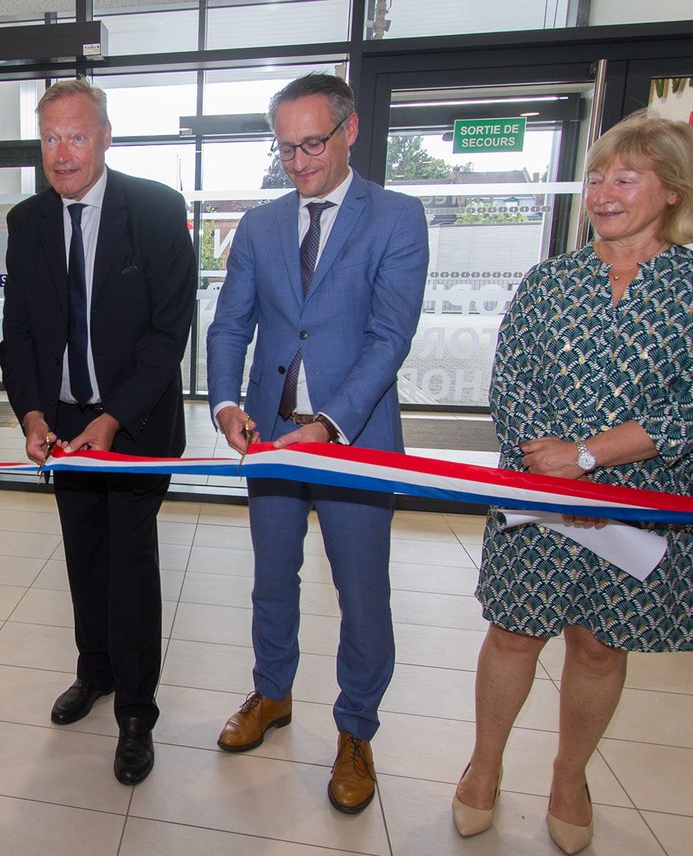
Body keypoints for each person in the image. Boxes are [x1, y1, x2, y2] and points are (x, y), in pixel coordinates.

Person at [451, 111, 693, 854]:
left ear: (674, 190)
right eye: (596, 177)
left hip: (639, 501)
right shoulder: (550, 281)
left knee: (599, 645)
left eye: (625, 177)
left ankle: (568, 777)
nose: (603, 192)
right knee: (513, 633)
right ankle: (482, 767)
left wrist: (589, 459)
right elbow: (512, 380)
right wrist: (549, 459)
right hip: (539, 496)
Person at [206, 73, 428, 814]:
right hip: (270, 439)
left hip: (353, 443)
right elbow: (231, 322)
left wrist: (327, 423)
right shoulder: (264, 224)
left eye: (312, 144)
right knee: (273, 579)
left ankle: (356, 731)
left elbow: (389, 337)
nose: (299, 163)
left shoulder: (397, 218)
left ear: (350, 131)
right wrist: (229, 402)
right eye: (285, 148)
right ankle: (273, 694)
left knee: (362, 595)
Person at [0, 78, 197, 785]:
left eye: (76, 136)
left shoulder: (155, 209)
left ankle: (137, 713)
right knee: (83, 557)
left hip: (133, 424)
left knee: (130, 563)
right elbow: (16, 332)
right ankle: (96, 673)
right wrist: (31, 414)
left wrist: (113, 418)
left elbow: (168, 333)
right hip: (62, 426)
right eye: (50, 137)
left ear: (105, 137)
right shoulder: (26, 223)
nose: (62, 152)